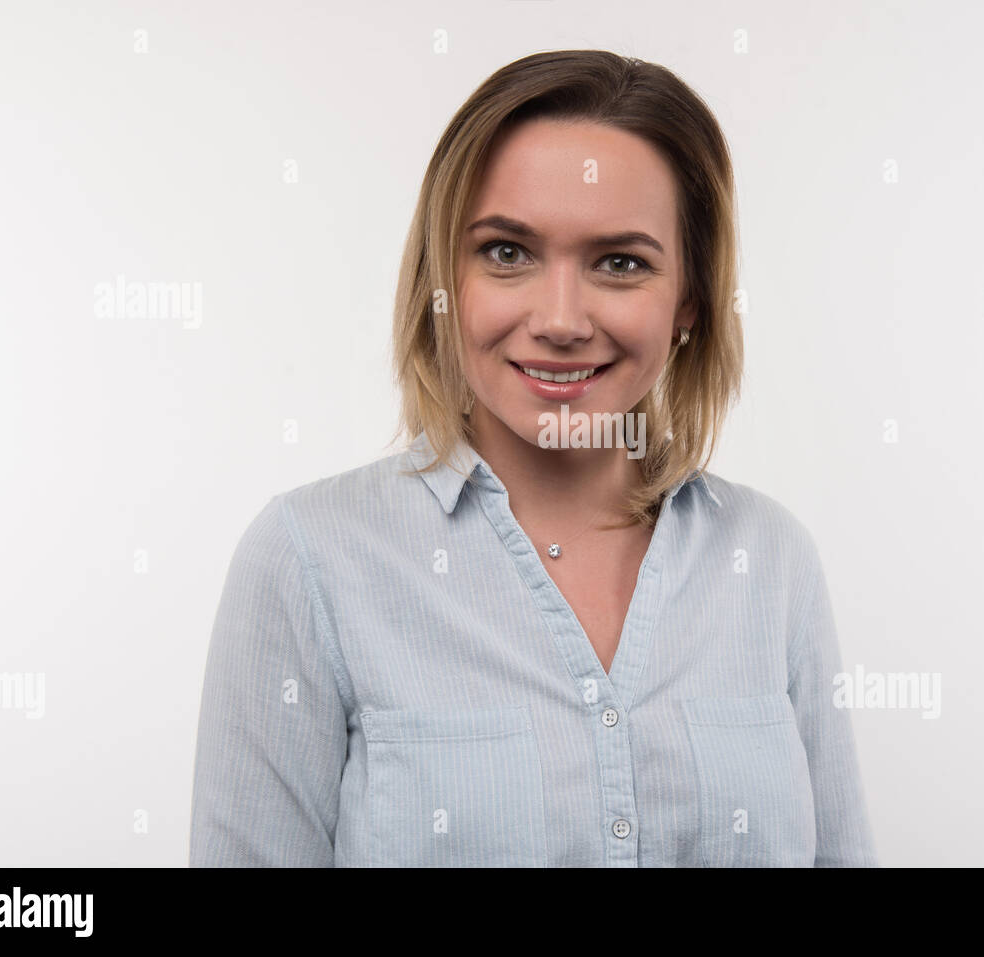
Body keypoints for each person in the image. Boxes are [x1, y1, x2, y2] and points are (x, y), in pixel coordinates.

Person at [189, 49, 878, 867]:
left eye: (620, 263)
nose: (559, 319)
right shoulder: (309, 558)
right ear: (444, 278)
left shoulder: (770, 559)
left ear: (688, 297)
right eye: (507, 253)